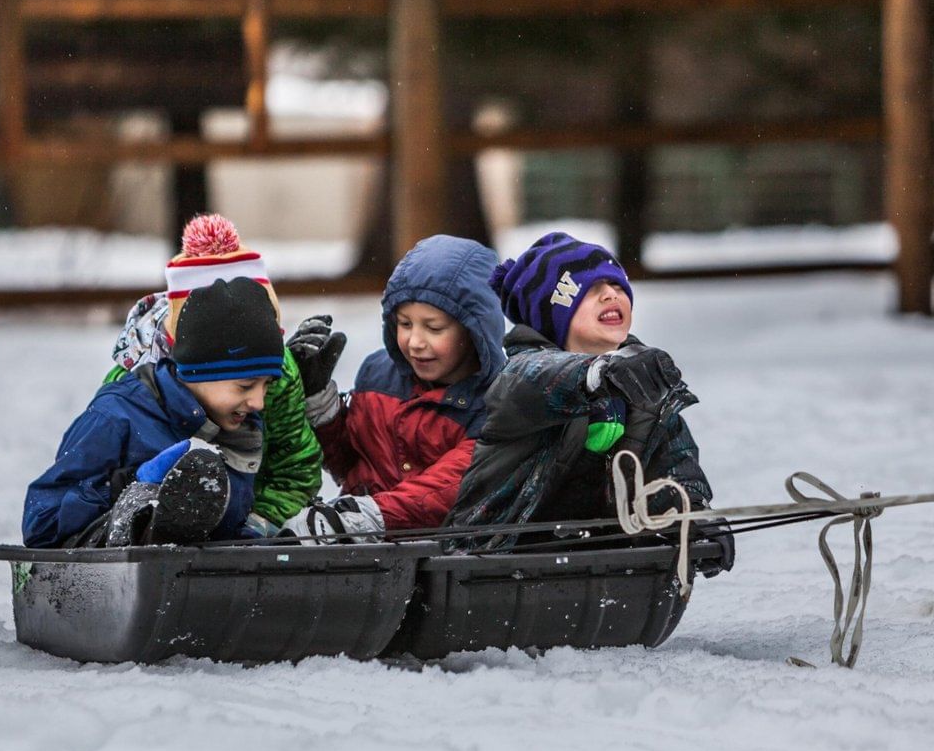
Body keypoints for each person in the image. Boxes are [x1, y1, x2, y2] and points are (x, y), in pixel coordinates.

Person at [449, 231, 733, 572]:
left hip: (605, 561)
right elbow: (541, 378)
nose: (610, 294)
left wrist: (690, 517)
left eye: (616, 286)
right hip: (492, 561)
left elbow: (673, 463)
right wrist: (598, 373)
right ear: (551, 316)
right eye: (590, 290)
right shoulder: (521, 375)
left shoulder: (642, 382)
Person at [23, 276, 285, 548]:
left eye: (266, 385)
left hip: (191, 579)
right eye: (245, 386)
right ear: (199, 372)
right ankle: (141, 520)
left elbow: (223, 531)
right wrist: (125, 484)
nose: (258, 402)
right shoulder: (117, 417)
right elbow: (42, 523)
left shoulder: (241, 429)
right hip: (109, 574)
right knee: (149, 504)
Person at [105, 215, 321, 534]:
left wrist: (261, 522)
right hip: (155, 527)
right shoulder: (133, 385)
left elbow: (294, 469)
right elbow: (95, 479)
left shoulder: (279, 375)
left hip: (251, 516)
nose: (258, 399)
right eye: (245, 383)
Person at [281, 234, 508, 537]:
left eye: (433, 327)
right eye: (404, 324)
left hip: (440, 559)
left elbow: (449, 489)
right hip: (358, 551)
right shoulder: (379, 376)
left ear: (474, 330)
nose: (415, 342)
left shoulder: (497, 403)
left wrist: (363, 517)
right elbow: (348, 460)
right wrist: (317, 404)